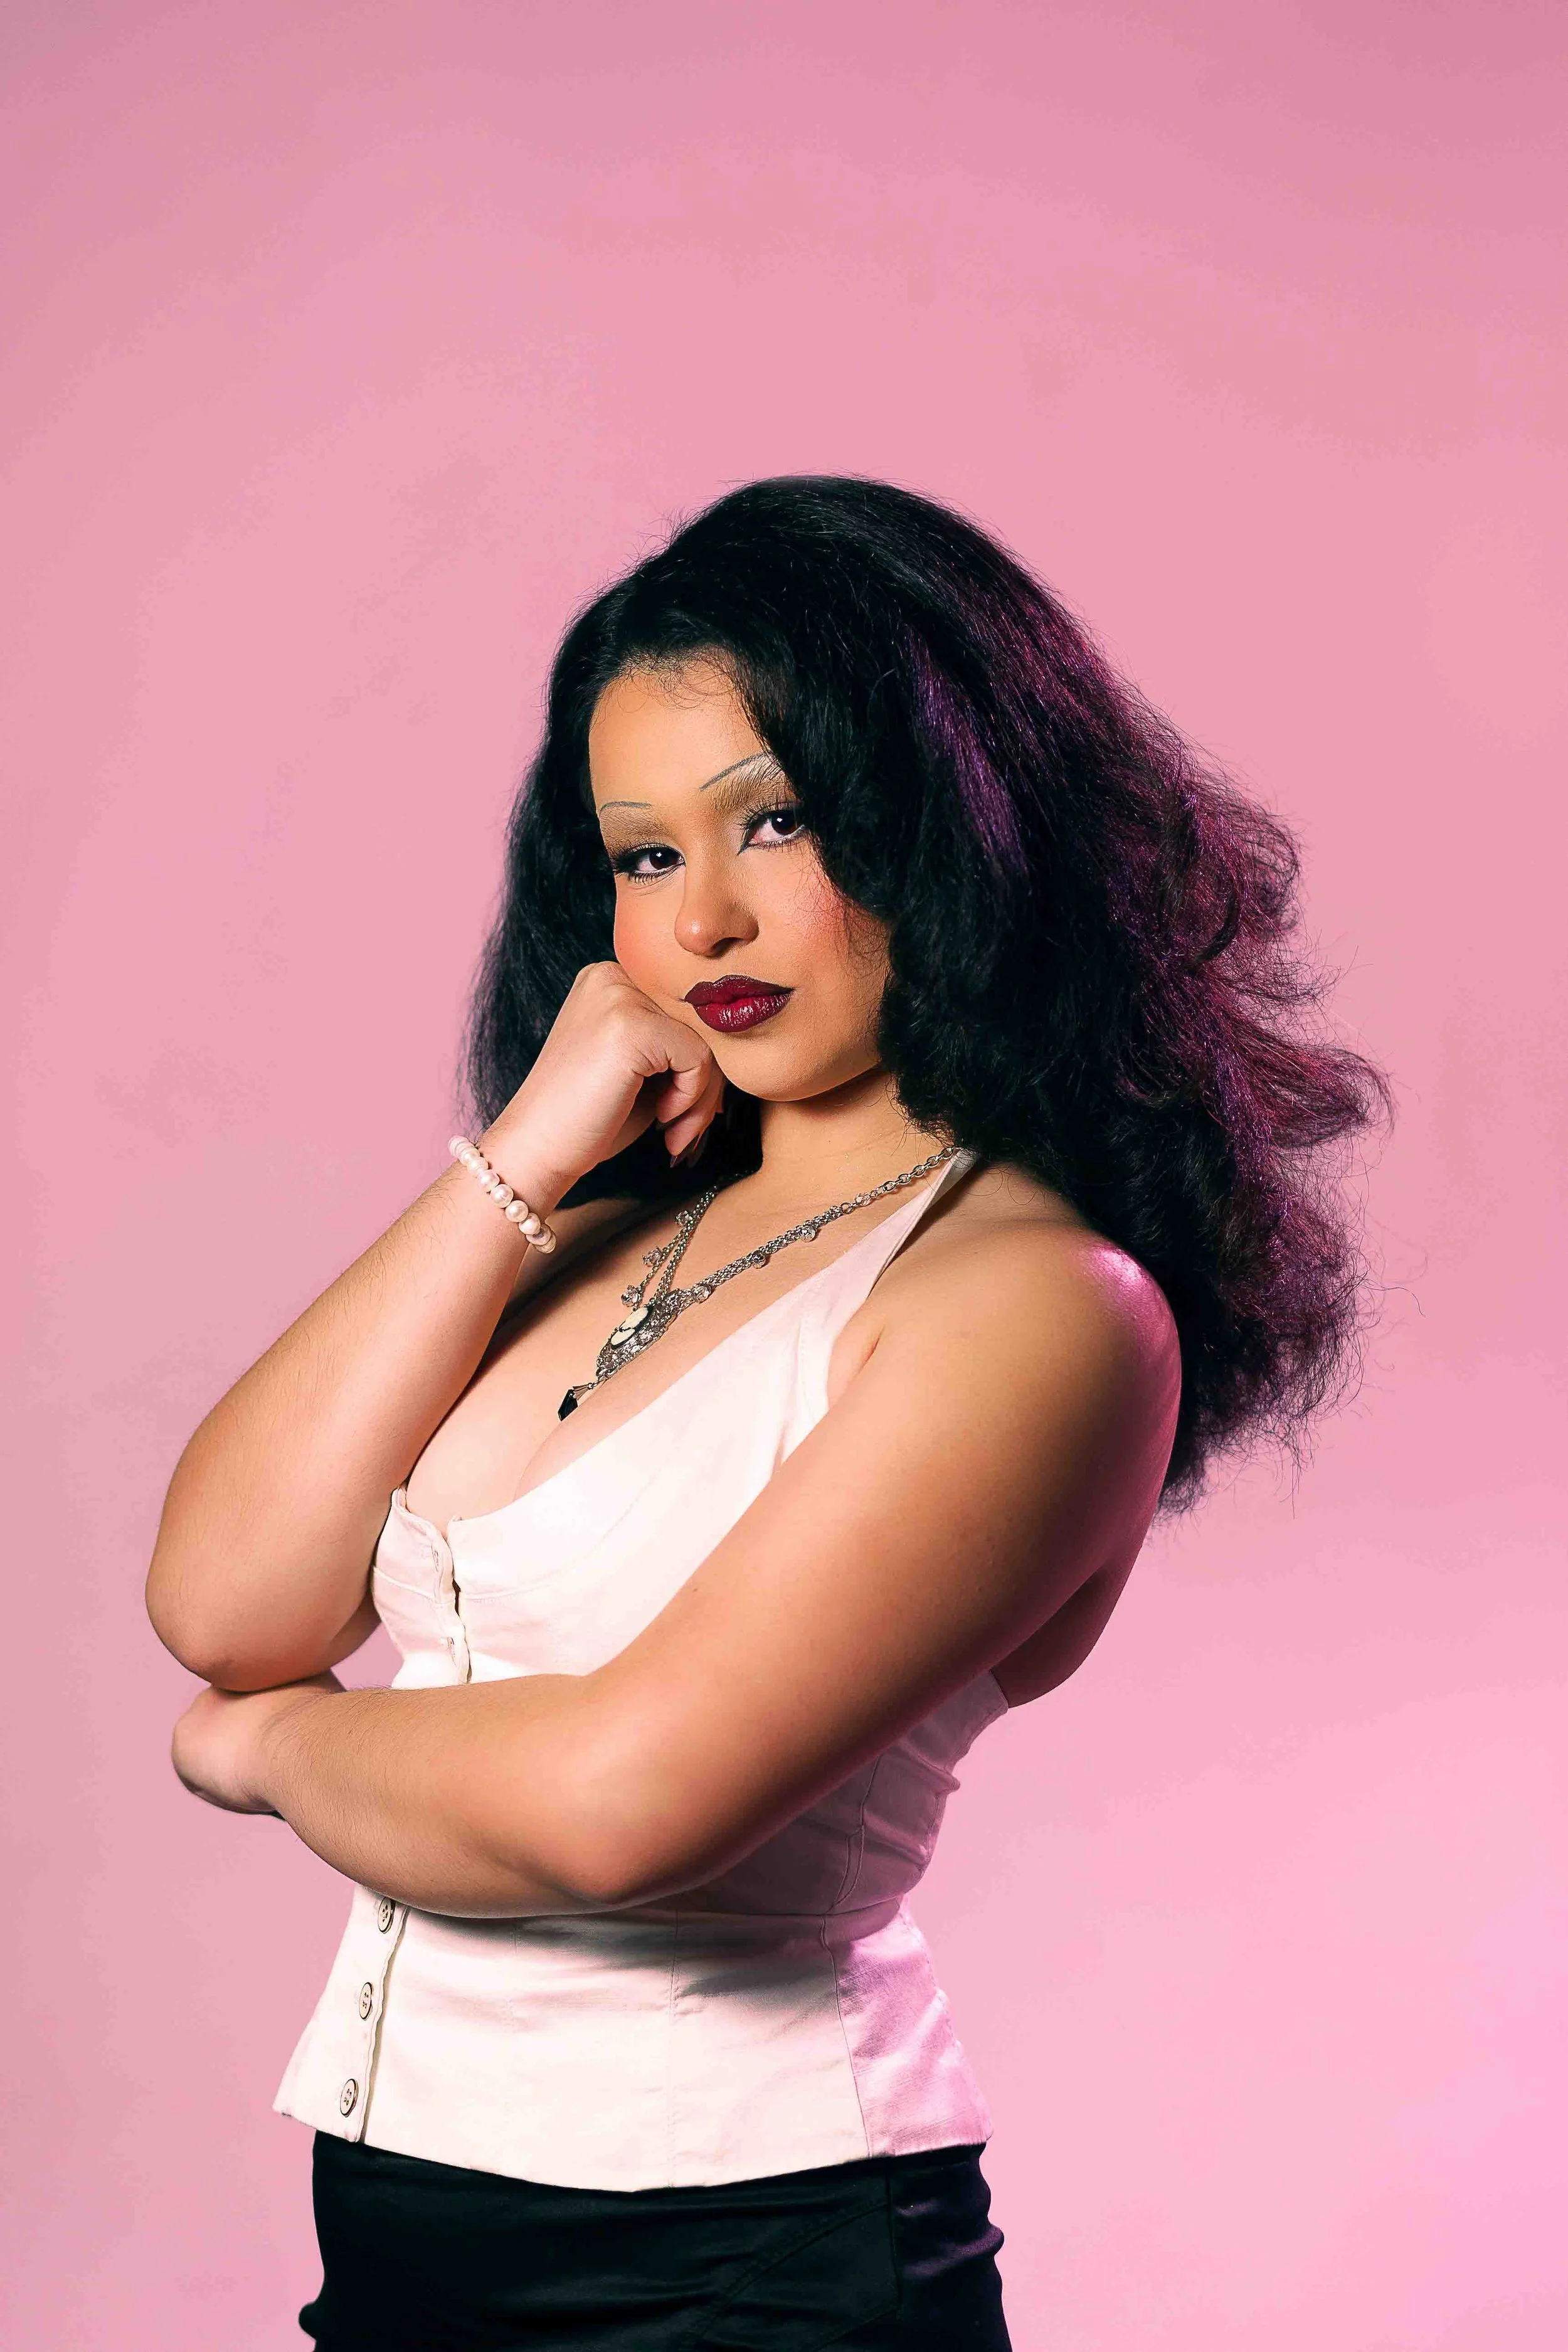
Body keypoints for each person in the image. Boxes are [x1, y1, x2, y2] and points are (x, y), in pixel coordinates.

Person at [147, 475, 1385, 2349]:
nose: (704, 910)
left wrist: (259, 1755)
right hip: (403, 2225)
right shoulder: (593, 1224)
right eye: (639, 857)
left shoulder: (1036, 1304)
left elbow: (619, 1798)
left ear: (946, 825)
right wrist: (522, 1150)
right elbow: (228, 1597)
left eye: (772, 821)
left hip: (740, 2266)